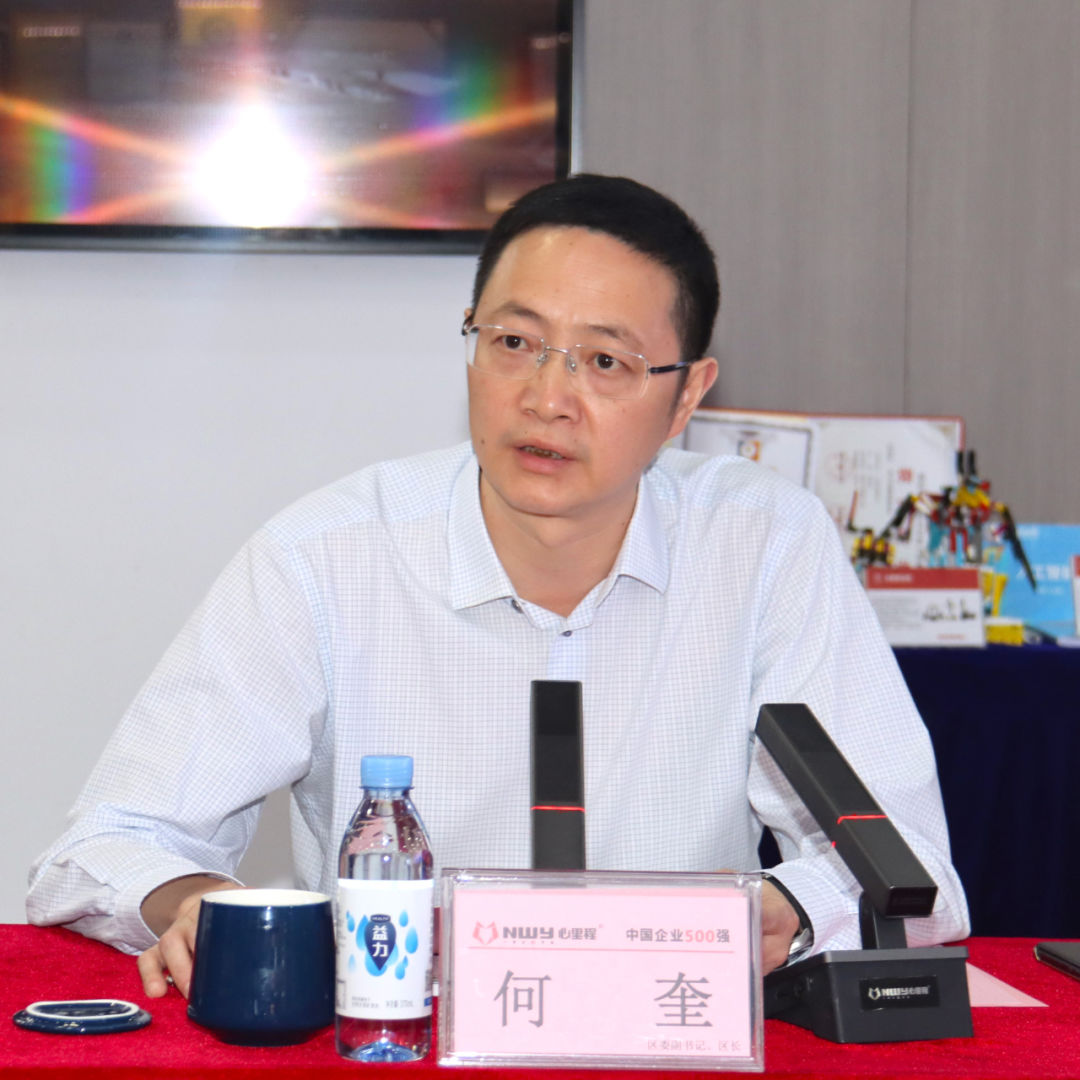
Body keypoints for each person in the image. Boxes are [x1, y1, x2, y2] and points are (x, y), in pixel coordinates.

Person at [27, 174, 969, 1000]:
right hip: (399, 1038)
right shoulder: (327, 557)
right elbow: (99, 848)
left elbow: (916, 871)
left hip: (674, 1036)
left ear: (688, 396)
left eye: (605, 362)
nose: (547, 398)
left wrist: (786, 913)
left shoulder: (765, 547)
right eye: (515, 341)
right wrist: (194, 902)